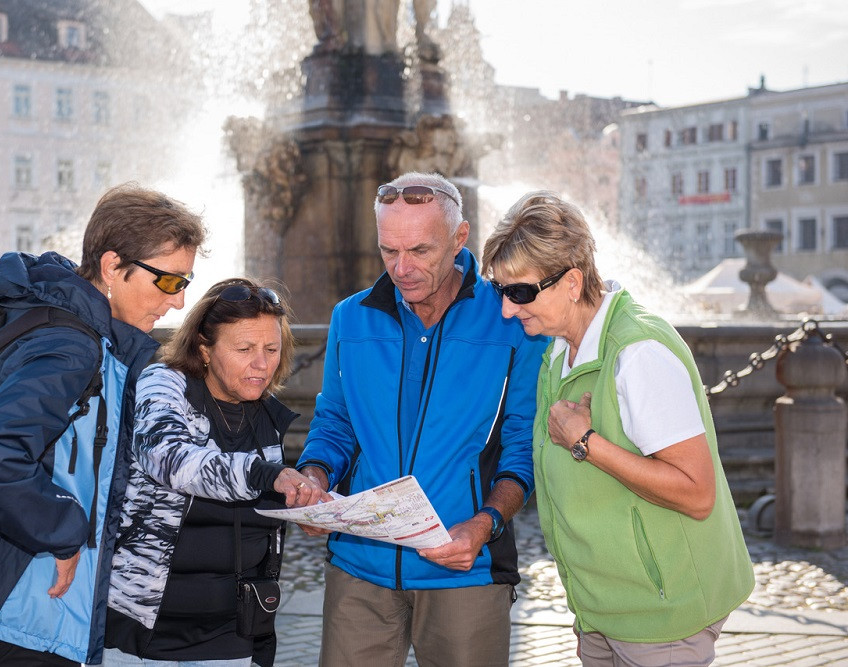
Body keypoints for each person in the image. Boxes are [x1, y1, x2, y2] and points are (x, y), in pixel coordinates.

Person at [0, 183, 208, 666]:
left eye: (186, 283)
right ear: (113, 266)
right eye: (168, 281)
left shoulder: (66, 326)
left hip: (26, 609)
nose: (178, 302)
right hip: (24, 617)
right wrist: (63, 530)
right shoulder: (71, 346)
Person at [480, 191, 754, 666]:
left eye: (520, 292)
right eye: (499, 291)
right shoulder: (559, 350)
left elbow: (696, 492)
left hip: (661, 617)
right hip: (602, 612)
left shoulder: (638, 352)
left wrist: (587, 443)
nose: (507, 309)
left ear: (571, 281)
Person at [296, 172, 549, 667]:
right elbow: (335, 421)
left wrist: (484, 523)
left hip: (465, 572)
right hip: (357, 569)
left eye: (419, 251)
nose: (402, 268)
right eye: (389, 251)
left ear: (459, 238)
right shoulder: (350, 316)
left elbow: (523, 443)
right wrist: (314, 479)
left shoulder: (513, 318)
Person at [103, 278, 329, 667]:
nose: (262, 364)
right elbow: (169, 458)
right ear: (204, 349)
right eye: (244, 349)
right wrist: (267, 475)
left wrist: (309, 509)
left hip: (235, 633)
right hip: (146, 633)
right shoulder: (165, 383)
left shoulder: (265, 411)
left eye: (271, 349)